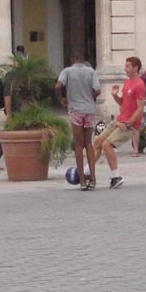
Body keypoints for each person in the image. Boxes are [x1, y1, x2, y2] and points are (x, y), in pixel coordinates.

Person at [92, 56, 146, 189]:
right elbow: (123, 103)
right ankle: (87, 172)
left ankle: (116, 177)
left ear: (136, 68)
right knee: (98, 140)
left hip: (130, 124)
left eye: (128, 66)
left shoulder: (139, 85)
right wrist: (115, 95)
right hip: (119, 119)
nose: (125, 68)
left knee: (107, 145)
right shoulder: (127, 83)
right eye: (126, 65)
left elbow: (140, 109)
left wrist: (128, 123)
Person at [55, 52, 101, 190]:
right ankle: (93, 178)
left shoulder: (67, 71)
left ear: (72, 60)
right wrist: (90, 97)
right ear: (83, 60)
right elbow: (97, 90)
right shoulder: (91, 71)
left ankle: (81, 180)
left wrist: (61, 99)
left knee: (78, 145)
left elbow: (58, 86)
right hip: (89, 110)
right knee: (89, 143)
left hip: (75, 110)